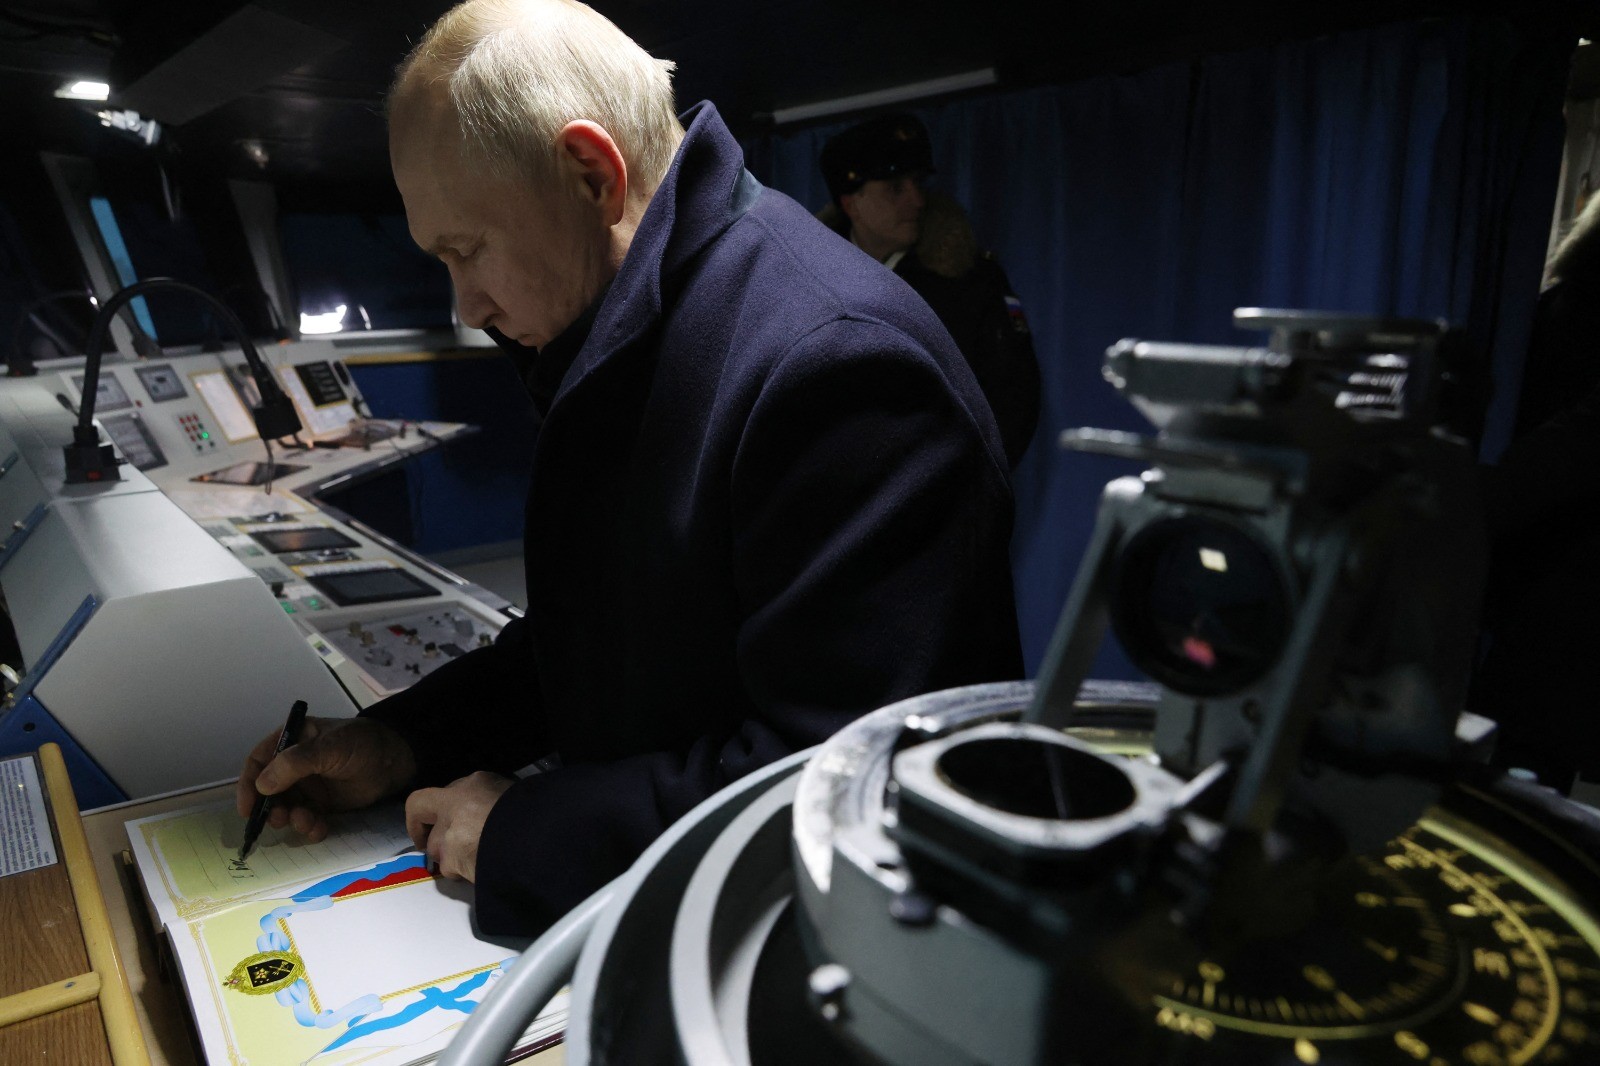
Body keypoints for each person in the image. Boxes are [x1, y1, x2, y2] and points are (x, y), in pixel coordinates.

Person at [236, 0, 1022, 937]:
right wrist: (404, 740)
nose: (467, 305)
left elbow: (841, 782)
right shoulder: (634, 326)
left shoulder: (838, 367)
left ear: (589, 174)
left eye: (468, 249)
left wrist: (523, 832)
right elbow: (600, 643)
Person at [817, 113, 1042, 468]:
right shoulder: (807, 286)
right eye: (895, 188)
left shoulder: (968, 283)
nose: (917, 201)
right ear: (851, 203)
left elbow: (1013, 401)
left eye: (917, 183)